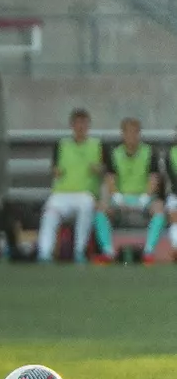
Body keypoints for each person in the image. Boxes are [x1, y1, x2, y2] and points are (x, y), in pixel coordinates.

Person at [37, 107, 106, 263]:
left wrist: (99, 169)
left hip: (85, 194)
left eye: (84, 123)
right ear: (72, 126)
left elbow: (105, 170)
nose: (80, 127)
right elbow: (54, 168)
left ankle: (79, 251)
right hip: (62, 194)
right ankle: (44, 252)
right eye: (77, 123)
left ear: (88, 126)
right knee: (49, 213)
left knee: (87, 206)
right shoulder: (61, 145)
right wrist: (55, 171)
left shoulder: (97, 145)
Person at [94, 116, 162, 264]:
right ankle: (108, 252)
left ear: (139, 134)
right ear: (122, 134)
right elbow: (110, 179)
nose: (132, 136)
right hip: (121, 198)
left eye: (135, 132)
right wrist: (117, 197)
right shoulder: (114, 153)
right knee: (101, 209)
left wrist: (145, 197)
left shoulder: (150, 152)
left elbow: (154, 179)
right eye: (128, 132)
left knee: (159, 209)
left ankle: (148, 252)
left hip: (143, 197)